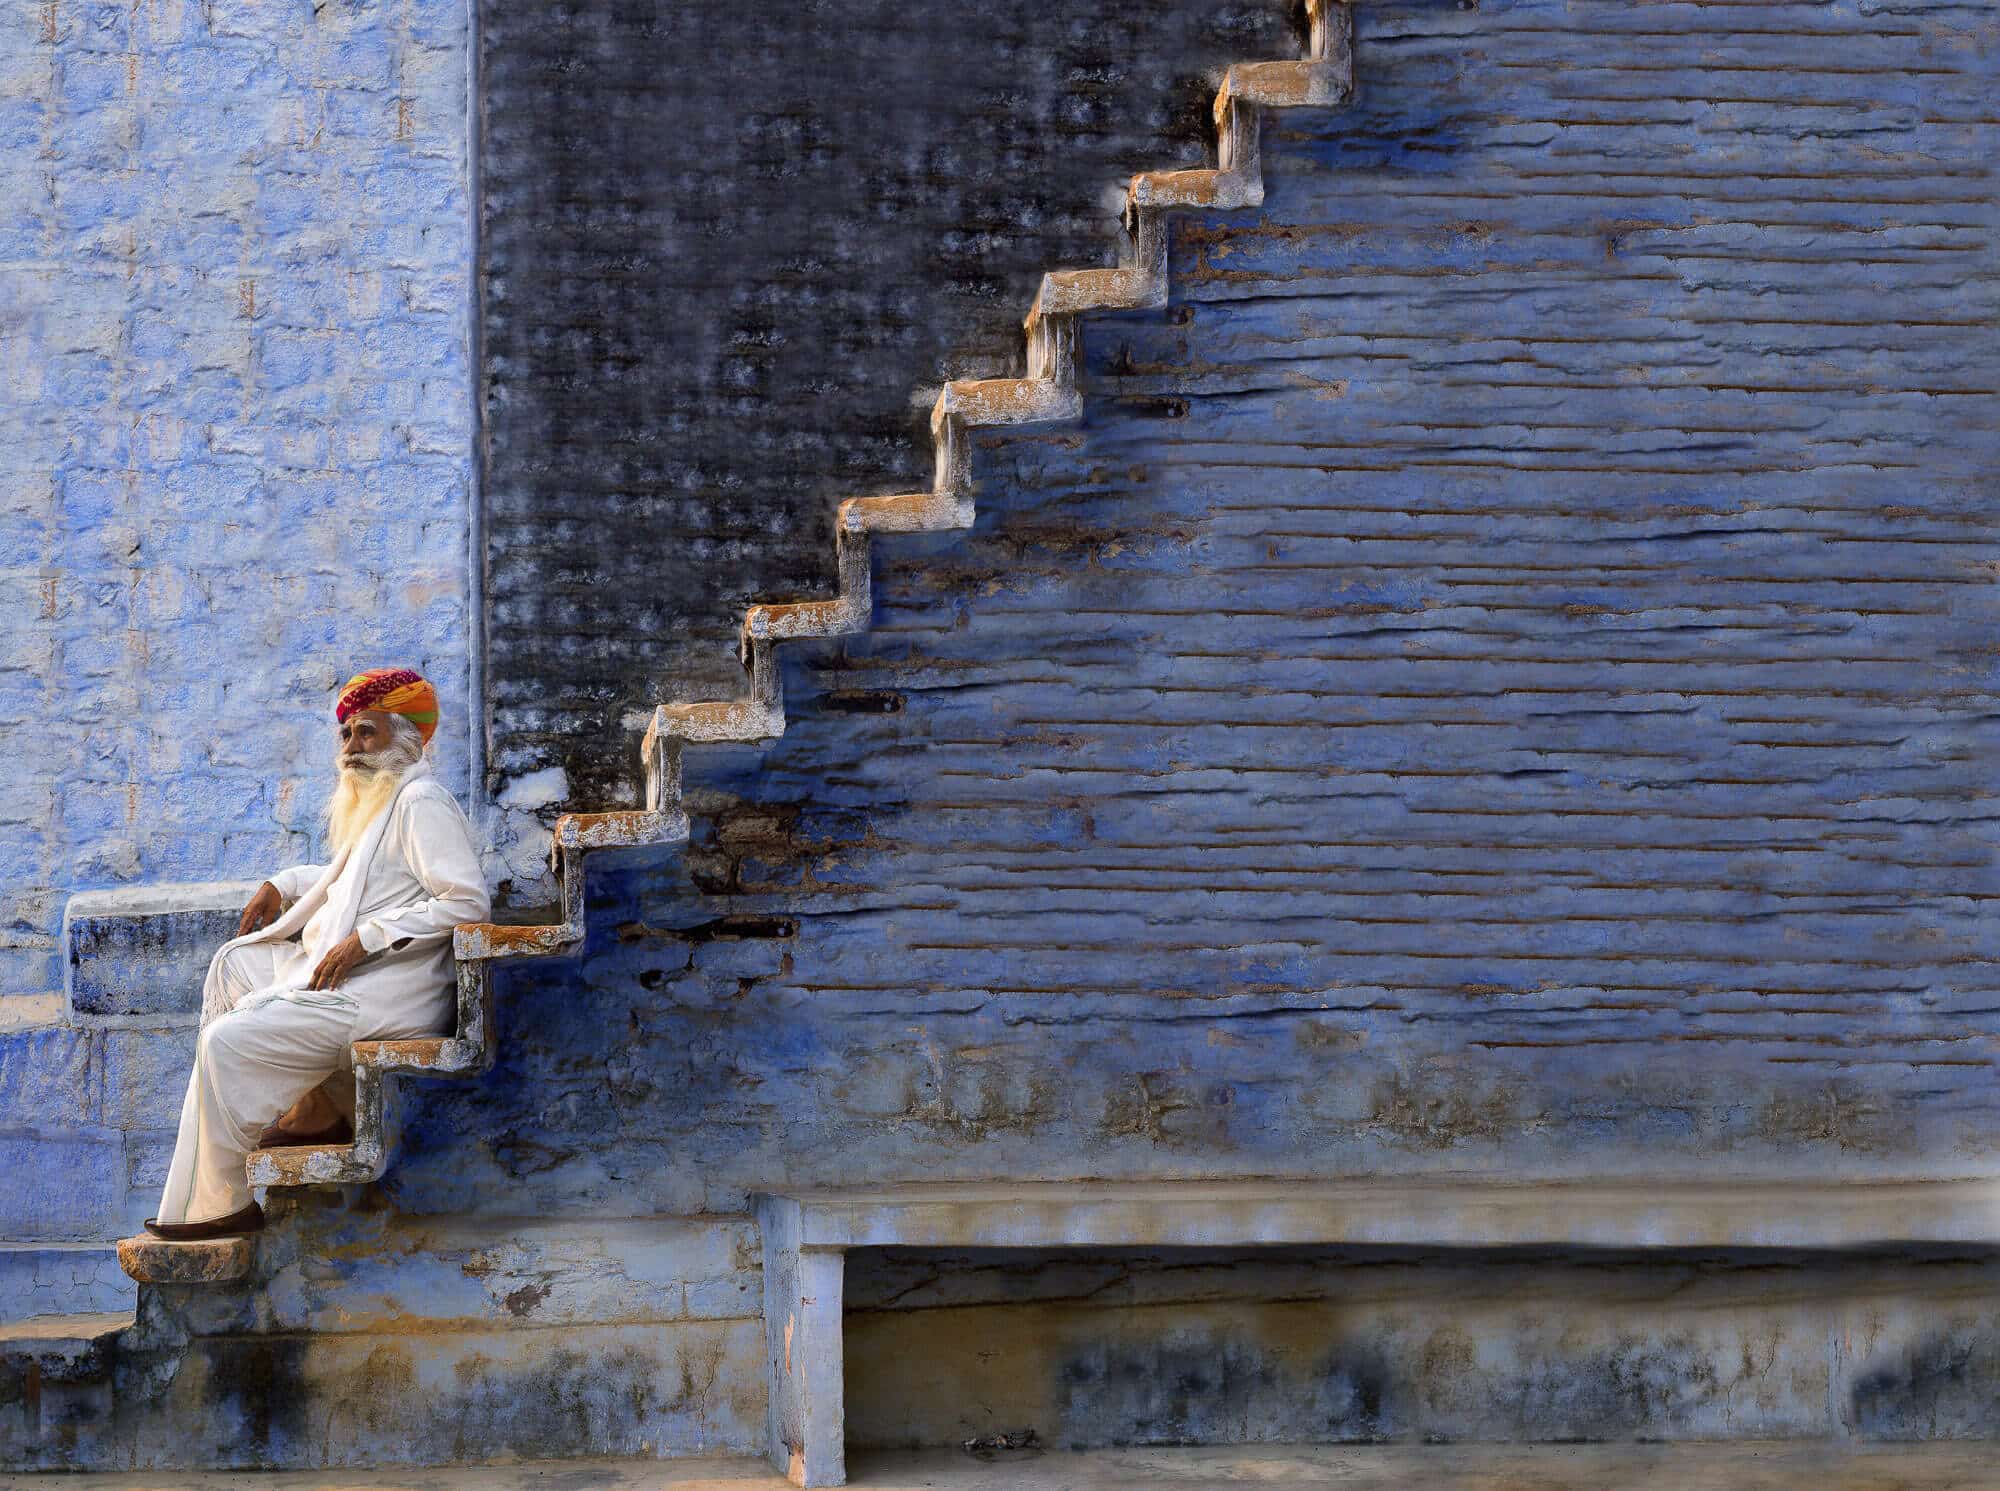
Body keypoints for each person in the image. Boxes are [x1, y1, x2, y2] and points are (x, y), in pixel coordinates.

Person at [144, 669, 491, 1242]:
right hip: (356, 977)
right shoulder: (382, 803)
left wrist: (367, 940)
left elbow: (467, 903)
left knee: (224, 1041)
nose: (351, 749)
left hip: (389, 992)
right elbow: (355, 882)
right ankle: (316, 1111)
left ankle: (218, 1203)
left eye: (366, 734)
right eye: (347, 736)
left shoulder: (421, 800)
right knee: (234, 964)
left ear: (406, 739)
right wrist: (283, 883)